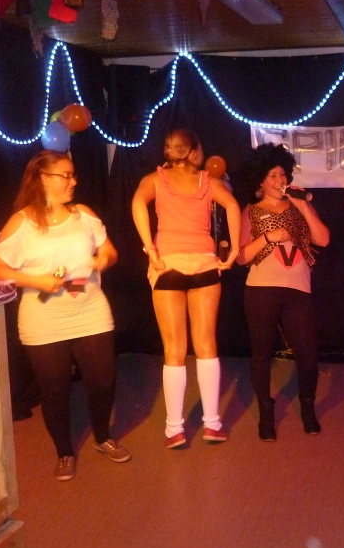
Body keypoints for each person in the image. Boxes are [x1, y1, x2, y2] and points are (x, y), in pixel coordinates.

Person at [0, 150, 129, 481]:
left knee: (103, 380)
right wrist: (37, 281)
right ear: (43, 179)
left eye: (73, 174)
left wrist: (104, 259)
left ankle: (102, 437)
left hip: (90, 308)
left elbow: (109, 250)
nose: (73, 181)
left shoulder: (83, 214)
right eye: (66, 175)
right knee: (55, 390)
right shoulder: (21, 221)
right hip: (43, 317)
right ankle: (64, 451)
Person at [131, 129, 241, 448]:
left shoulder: (155, 180)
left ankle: (174, 429)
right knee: (206, 344)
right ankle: (212, 424)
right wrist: (233, 250)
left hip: (168, 265)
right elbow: (233, 206)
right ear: (193, 152)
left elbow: (137, 203)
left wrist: (150, 248)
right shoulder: (209, 181)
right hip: (204, 263)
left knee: (174, 349)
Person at [235, 144, 331, 441]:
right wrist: (267, 237)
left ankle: (307, 407)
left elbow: (323, 239)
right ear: (260, 182)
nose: (280, 180)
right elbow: (241, 257)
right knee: (261, 354)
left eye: (282, 174)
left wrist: (304, 207)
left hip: (297, 289)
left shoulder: (298, 206)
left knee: (308, 354)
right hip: (261, 289)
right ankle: (266, 412)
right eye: (272, 175)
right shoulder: (251, 211)